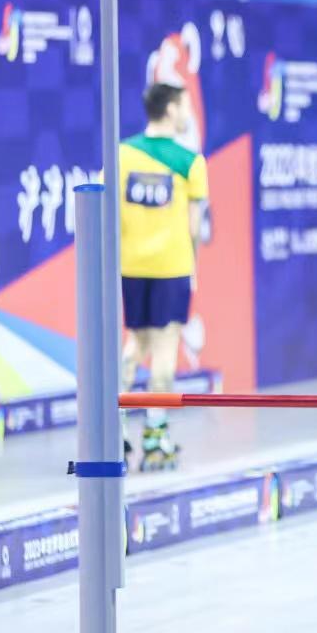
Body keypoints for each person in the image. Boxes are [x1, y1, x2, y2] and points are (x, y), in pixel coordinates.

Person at [118, 82, 209, 471]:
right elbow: (194, 226)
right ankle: (155, 437)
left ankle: (113, 430)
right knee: (165, 348)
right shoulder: (190, 162)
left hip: (131, 267)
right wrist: (193, 267)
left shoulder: (121, 155)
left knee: (135, 344)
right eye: (185, 106)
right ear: (171, 109)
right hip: (171, 268)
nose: (188, 113)